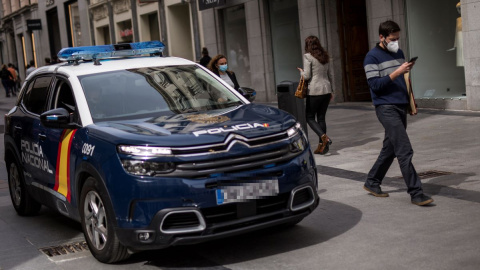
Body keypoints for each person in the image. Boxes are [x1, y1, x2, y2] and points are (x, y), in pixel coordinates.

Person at [363, 20, 433, 206]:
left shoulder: (399, 53)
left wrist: (410, 103)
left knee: (390, 149)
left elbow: (404, 81)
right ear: (381, 37)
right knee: (404, 149)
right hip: (385, 108)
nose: (396, 42)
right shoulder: (371, 57)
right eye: (392, 39)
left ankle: (372, 181)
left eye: (397, 38)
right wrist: (397, 72)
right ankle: (416, 193)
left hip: (401, 105)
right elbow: (375, 85)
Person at [297, 35, 334, 155]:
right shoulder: (325, 56)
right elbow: (329, 75)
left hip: (315, 91)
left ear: (307, 45)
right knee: (321, 117)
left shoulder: (308, 56)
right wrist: (331, 91)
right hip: (326, 90)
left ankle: (324, 137)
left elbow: (307, 76)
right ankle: (323, 147)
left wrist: (301, 72)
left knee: (309, 117)